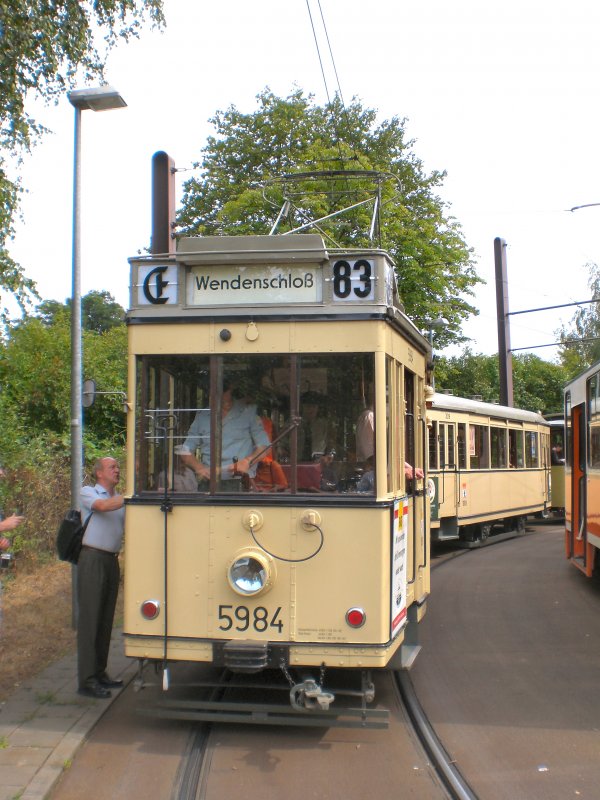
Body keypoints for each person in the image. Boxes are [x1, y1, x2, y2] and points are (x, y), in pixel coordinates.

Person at [77, 457, 125, 699]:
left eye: (118, 467)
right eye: (112, 467)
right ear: (99, 473)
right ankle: (86, 680)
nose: (117, 470)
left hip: (111, 560)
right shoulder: (88, 492)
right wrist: (132, 497)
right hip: (92, 559)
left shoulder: (122, 501)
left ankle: (99, 672)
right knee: (90, 619)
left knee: (105, 619)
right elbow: (102, 507)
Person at [179, 381, 270, 487]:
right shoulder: (202, 416)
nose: (216, 396)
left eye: (221, 392)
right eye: (212, 392)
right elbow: (184, 450)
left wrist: (247, 461)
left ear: (231, 390)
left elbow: (265, 447)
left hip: (241, 483)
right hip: (209, 483)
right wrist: (199, 467)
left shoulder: (248, 412)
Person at [298, 391, 331, 461]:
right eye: (308, 406)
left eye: (314, 406)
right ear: (302, 407)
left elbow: (331, 446)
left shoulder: (324, 425)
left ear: (318, 408)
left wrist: (328, 456)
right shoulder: (293, 424)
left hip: (318, 465)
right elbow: (281, 444)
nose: (311, 409)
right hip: (295, 465)